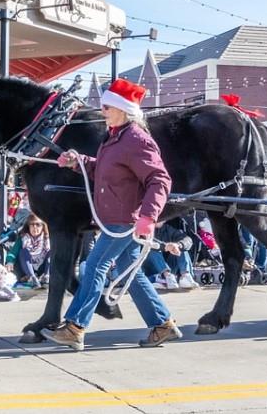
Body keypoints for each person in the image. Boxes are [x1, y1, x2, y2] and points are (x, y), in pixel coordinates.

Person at [43, 77, 179, 351]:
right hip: (115, 219)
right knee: (131, 273)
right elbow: (106, 169)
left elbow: (160, 179)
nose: (102, 111)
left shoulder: (136, 139)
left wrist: (147, 216)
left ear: (123, 109)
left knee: (93, 267)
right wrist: (79, 161)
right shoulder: (116, 138)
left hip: (124, 221)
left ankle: (75, 326)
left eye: (106, 107)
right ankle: (162, 323)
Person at [4, 215, 51, 288]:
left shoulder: (48, 239)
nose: (35, 227)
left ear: (43, 226)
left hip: (42, 268)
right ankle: (32, 278)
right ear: (28, 226)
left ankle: (46, 277)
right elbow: (13, 253)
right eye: (32, 224)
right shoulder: (23, 238)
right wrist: (10, 262)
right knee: (23, 251)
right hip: (27, 268)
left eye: (38, 224)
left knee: (51, 251)